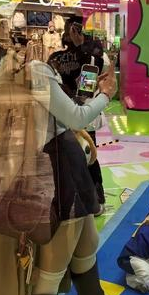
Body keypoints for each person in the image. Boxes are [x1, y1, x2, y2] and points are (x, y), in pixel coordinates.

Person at [0, 38, 117, 295]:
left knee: (85, 248)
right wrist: (106, 94)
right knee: (53, 267)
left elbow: (25, 104)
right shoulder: (37, 71)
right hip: (60, 173)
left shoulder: (13, 70)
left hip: (44, 170)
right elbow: (76, 117)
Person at [49, 18, 107, 214]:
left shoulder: (91, 55)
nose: (74, 32)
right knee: (76, 157)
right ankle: (84, 200)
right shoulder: (57, 57)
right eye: (71, 29)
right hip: (69, 112)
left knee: (87, 155)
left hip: (81, 112)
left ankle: (94, 199)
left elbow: (88, 86)